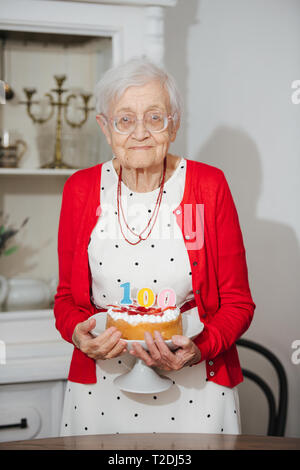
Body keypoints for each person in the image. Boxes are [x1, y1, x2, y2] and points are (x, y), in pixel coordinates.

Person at [54, 57, 255, 436]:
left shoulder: (208, 187)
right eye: (125, 119)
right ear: (105, 126)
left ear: (173, 124)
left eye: (155, 117)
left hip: (196, 390)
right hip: (101, 390)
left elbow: (238, 302)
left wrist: (202, 347)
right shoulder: (80, 189)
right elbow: (66, 299)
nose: (140, 132)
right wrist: (77, 335)